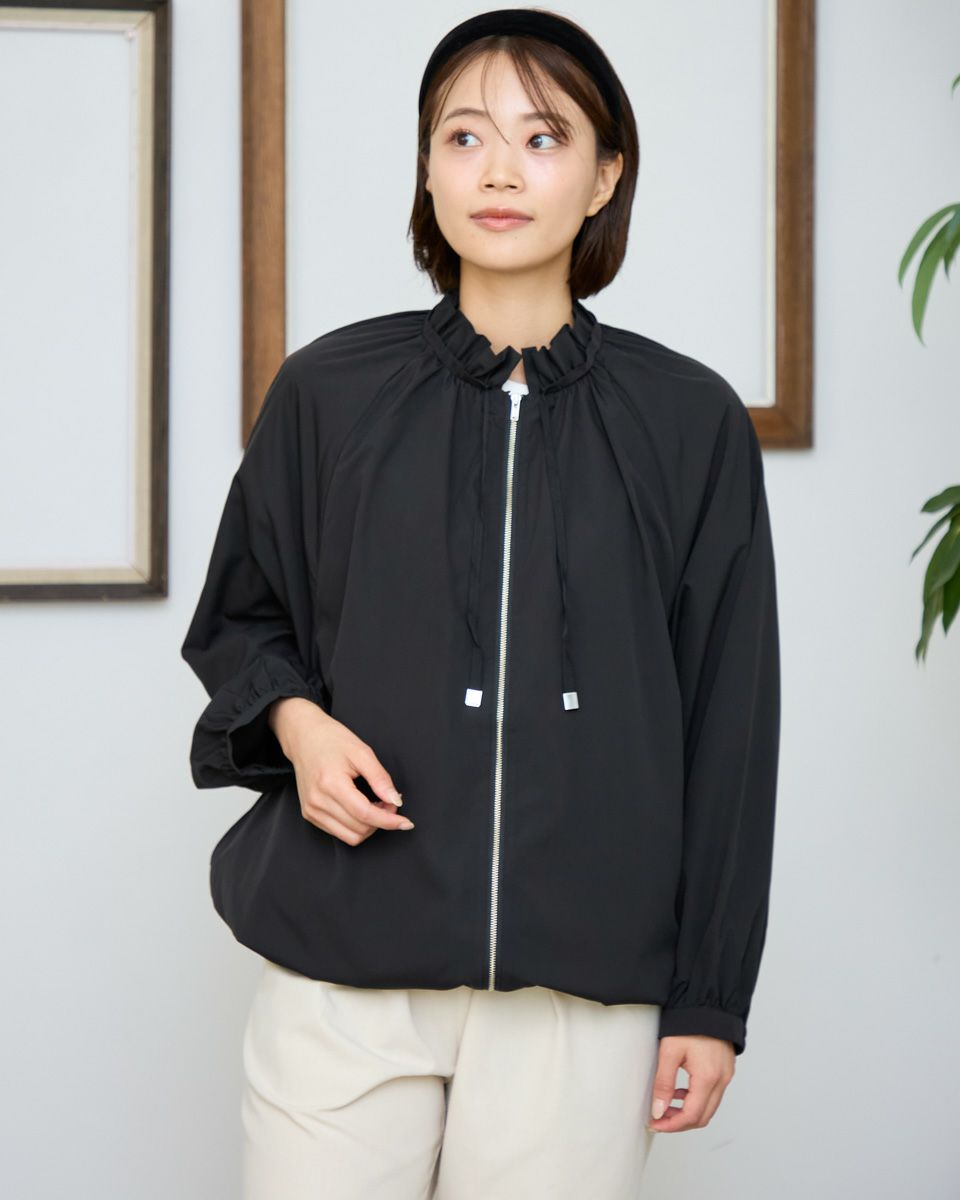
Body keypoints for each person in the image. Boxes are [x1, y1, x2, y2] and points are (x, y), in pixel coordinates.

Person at [180, 9, 781, 1198]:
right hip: (343, 968)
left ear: (605, 177)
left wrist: (709, 999)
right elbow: (243, 618)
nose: (499, 170)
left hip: (581, 1000)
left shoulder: (689, 422)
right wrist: (299, 727)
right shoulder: (329, 392)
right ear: (427, 168)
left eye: (543, 138)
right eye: (464, 136)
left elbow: (730, 722)